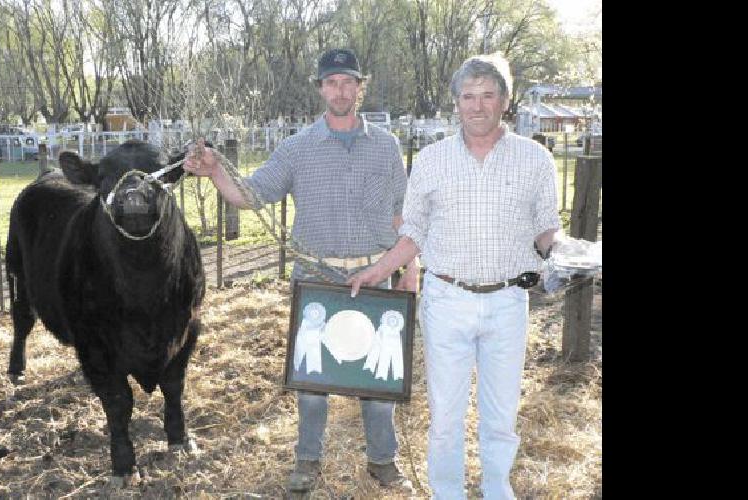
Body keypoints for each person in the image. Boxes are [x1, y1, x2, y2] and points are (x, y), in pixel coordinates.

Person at [183, 47, 418, 493]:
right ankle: (308, 460)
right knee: (312, 381)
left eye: (349, 81)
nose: (340, 90)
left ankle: (382, 461)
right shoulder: (297, 149)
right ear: (320, 89)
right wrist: (215, 172)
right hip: (317, 277)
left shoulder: (386, 147)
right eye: (332, 82)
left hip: (376, 273)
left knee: (377, 378)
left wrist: (411, 268)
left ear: (360, 88)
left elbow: (401, 214)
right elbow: (251, 195)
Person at [347, 53, 562, 499]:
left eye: (488, 96)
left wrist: (563, 254)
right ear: (456, 102)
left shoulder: (535, 159)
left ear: (505, 100)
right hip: (447, 301)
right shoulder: (431, 160)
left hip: (507, 301)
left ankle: (497, 490)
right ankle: (448, 493)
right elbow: (413, 234)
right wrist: (377, 272)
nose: (477, 106)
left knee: (500, 415)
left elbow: (545, 226)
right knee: (445, 416)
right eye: (468, 97)